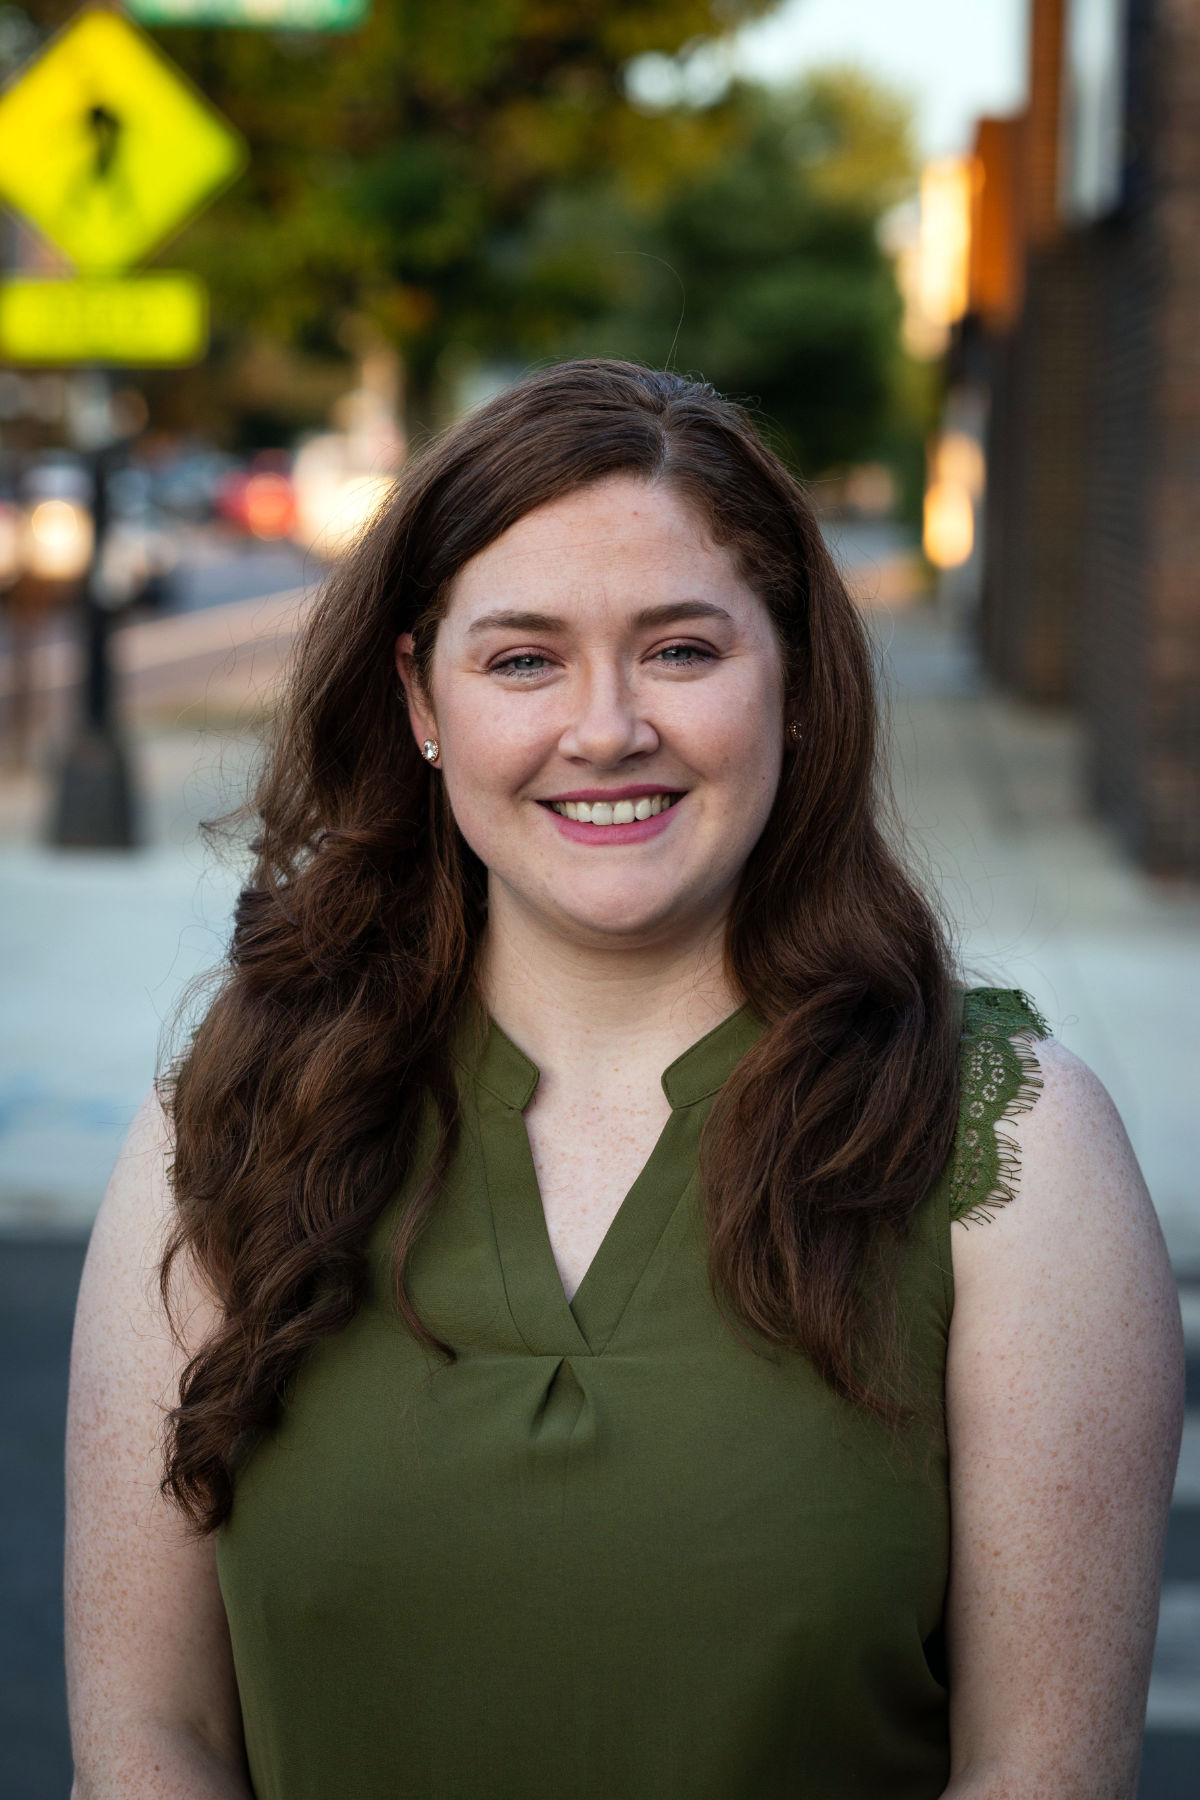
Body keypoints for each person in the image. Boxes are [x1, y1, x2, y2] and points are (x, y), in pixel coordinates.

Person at [65, 360, 1183, 1800]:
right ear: (421, 698)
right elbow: (152, 1747)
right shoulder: (223, 1129)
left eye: (681, 650)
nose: (605, 730)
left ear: (791, 673)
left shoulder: (1009, 1151)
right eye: (523, 659)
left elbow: (1041, 1778)